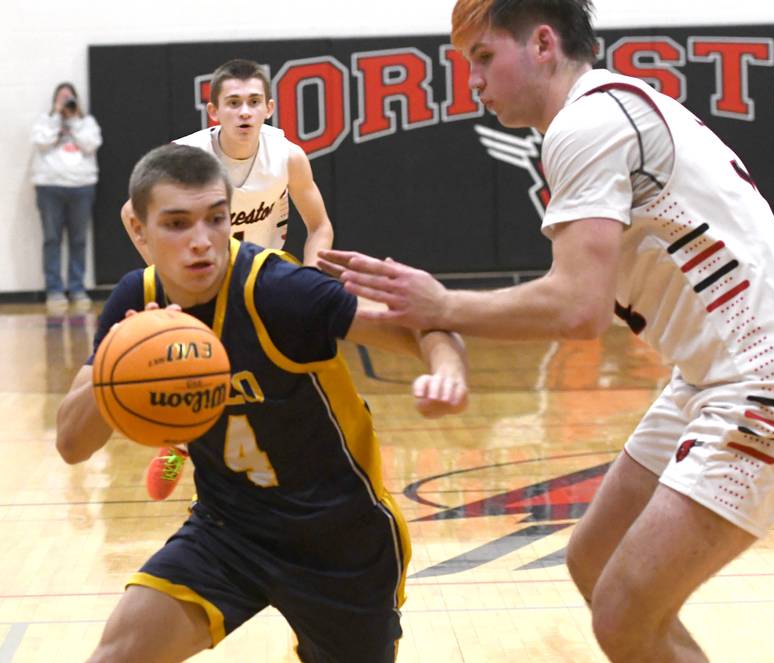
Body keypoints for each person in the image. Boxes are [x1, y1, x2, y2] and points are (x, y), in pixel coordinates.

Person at [317, 1, 774, 661]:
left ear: (543, 43)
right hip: (711, 373)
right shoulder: (607, 109)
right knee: (592, 560)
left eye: (484, 58)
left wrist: (439, 303)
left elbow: (579, 309)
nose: (474, 82)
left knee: (625, 609)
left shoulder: (587, 122)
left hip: (769, 376)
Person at [56, 143, 467, 662]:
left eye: (216, 219)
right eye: (177, 224)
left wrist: (448, 371)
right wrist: (115, 363)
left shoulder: (278, 289)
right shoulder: (135, 301)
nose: (202, 242)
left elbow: (426, 326)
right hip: (229, 532)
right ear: (139, 230)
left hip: (339, 541)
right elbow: (72, 445)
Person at [120, 58, 336, 500]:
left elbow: (320, 226)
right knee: (198, 375)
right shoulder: (188, 158)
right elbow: (130, 214)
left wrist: (312, 278)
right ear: (214, 111)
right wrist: (165, 272)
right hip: (205, 277)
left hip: (266, 274)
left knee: (288, 378)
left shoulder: (288, 156)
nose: (244, 112)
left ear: (269, 108)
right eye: (234, 103)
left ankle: (291, 468)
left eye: (254, 102)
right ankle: (179, 444)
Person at [32, 82, 103, 313]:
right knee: (51, 239)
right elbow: (41, 143)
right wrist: (57, 117)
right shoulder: (45, 121)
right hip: (50, 187)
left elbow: (91, 145)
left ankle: (77, 288)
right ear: (55, 100)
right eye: (61, 98)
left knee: (78, 240)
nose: (66, 102)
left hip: (81, 187)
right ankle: (54, 290)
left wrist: (72, 120)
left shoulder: (86, 123)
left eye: (69, 98)